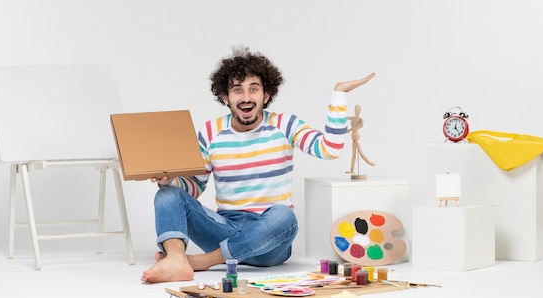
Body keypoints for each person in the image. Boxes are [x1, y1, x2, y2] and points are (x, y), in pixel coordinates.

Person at [141, 46, 375, 283]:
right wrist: (171, 182)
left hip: (270, 242)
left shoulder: (285, 124)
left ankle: (202, 262)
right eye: (237, 90)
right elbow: (196, 187)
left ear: (266, 95)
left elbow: (330, 149)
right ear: (225, 97)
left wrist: (338, 95)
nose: (246, 97)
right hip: (223, 228)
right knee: (167, 195)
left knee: (285, 216)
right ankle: (176, 259)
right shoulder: (211, 132)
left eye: (254, 89)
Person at [345, 104, 376, 175]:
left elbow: (360, 126)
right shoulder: (352, 118)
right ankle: (352, 170)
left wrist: (350, 129)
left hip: (356, 136)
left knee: (361, 153)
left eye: (358, 110)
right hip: (352, 137)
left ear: (360, 111)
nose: (356, 111)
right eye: (355, 109)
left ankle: (368, 161)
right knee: (353, 155)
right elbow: (345, 117)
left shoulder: (360, 119)